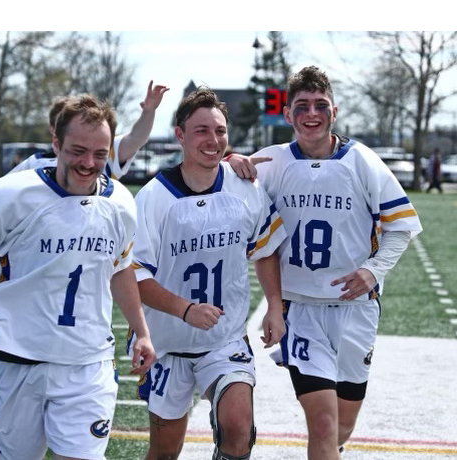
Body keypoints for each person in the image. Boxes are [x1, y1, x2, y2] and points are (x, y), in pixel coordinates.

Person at [0, 94, 156, 460]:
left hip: (88, 364)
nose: (88, 163)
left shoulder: (122, 202)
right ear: (56, 144)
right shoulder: (10, 195)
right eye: (78, 151)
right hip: (19, 361)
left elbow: (120, 268)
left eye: (99, 153)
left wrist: (141, 331)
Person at [227, 66, 423, 459]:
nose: (311, 114)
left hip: (356, 310)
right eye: (302, 106)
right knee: (323, 423)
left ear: (334, 110)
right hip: (301, 310)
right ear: (288, 114)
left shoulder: (363, 161)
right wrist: (232, 160)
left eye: (320, 106)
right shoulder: (272, 161)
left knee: (340, 427)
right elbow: (222, 177)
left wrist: (372, 270)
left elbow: (401, 226)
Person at [130, 87, 287, 460]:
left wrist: (275, 306)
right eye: (201, 130)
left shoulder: (245, 187)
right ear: (180, 135)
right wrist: (185, 309)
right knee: (165, 451)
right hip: (168, 343)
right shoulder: (153, 198)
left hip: (225, 338)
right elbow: (133, 277)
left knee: (237, 428)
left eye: (219, 131)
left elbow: (264, 249)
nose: (213, 140)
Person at [9, 80, 169, 179]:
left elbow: (136, 139)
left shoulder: (105, 155)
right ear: (54, 131)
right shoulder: (34, 164)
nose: (88, 163)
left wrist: (149, 112)